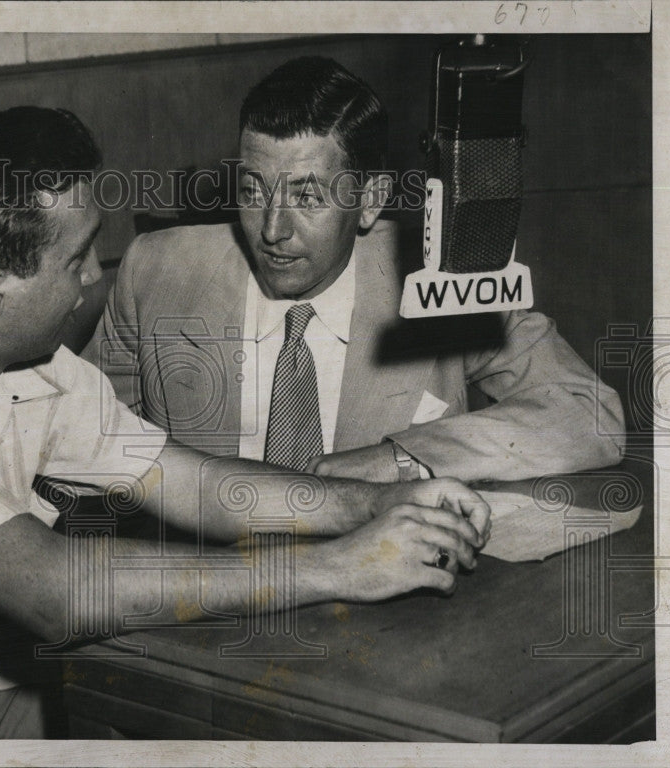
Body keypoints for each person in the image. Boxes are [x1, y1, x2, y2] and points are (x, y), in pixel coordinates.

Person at [0, 107, 490, 740]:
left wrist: (377, 505)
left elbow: (193, 483)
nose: (94, 279)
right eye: (78, 258)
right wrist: (341, 567)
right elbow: (57, 592)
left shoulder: (25, 354)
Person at [83, 56, 626, 483]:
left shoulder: (440, 279)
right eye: (252, 190)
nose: (272, 230)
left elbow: (590, 414)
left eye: (308, 196)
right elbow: (77, 442)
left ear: (370, 200)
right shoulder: (155, 271)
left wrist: (403, 460)